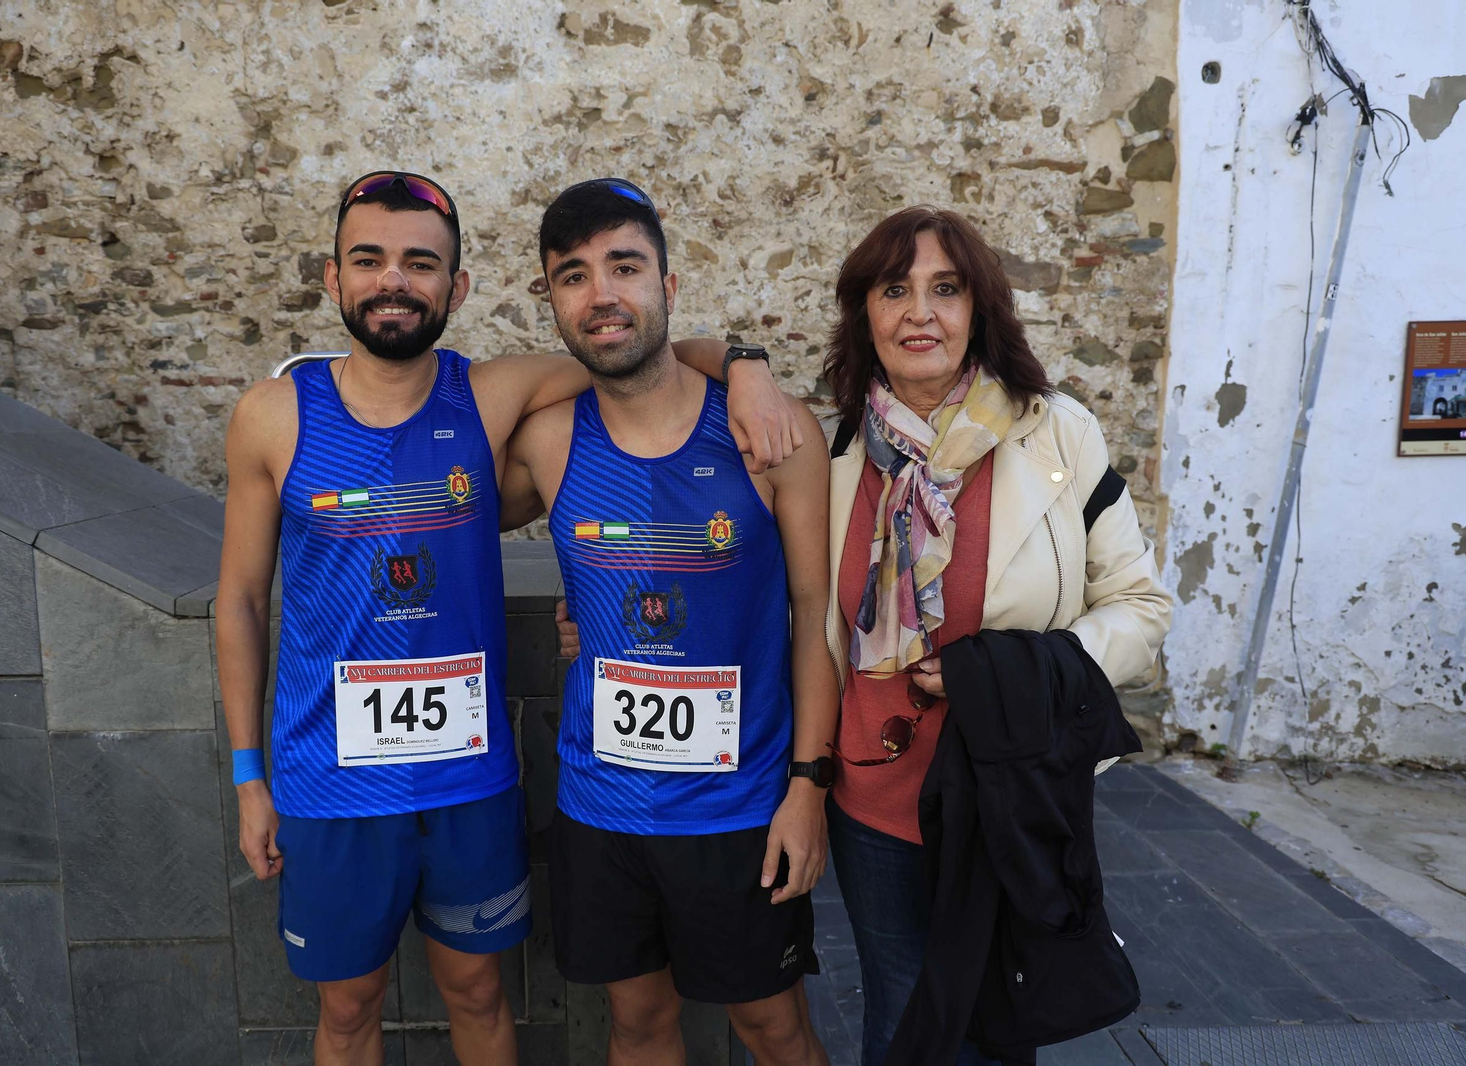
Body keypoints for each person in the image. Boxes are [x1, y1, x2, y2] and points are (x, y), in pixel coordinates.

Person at [215, 171, 801, 1066]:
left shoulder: (491, 396)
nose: (394, 282)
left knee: (480, 993)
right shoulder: (272, 415)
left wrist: (749, 365)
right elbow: (241, 602)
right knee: (346, 1012)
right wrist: (250, 778)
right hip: (328, 782)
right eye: (368, 260)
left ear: (458, 289)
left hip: (471, 784)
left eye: (421, 264)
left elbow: (638, 347)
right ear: (333, 279)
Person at [819, 207, 1173, 1065]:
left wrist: (1004, 670)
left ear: (981, 308)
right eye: (893, 289)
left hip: (1008, 789)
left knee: (998, 1022)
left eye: (947, 289)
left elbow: (1141, 606)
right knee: (900, 1016)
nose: (919, 313)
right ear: (864, 311)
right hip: (873, 799)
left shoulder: (1058, 433)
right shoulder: (831, 447)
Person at [500, 178, 837, 1065]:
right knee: (637, 1025)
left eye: (625, 267)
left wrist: (808, 789)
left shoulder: (770, 435)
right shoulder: (551, 439)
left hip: (737, 807)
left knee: (773, 1027)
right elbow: (430, 491)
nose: (601, 294)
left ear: (669, 285)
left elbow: (817, 619)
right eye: (573, 276)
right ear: (552, 301)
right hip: (601, 806)